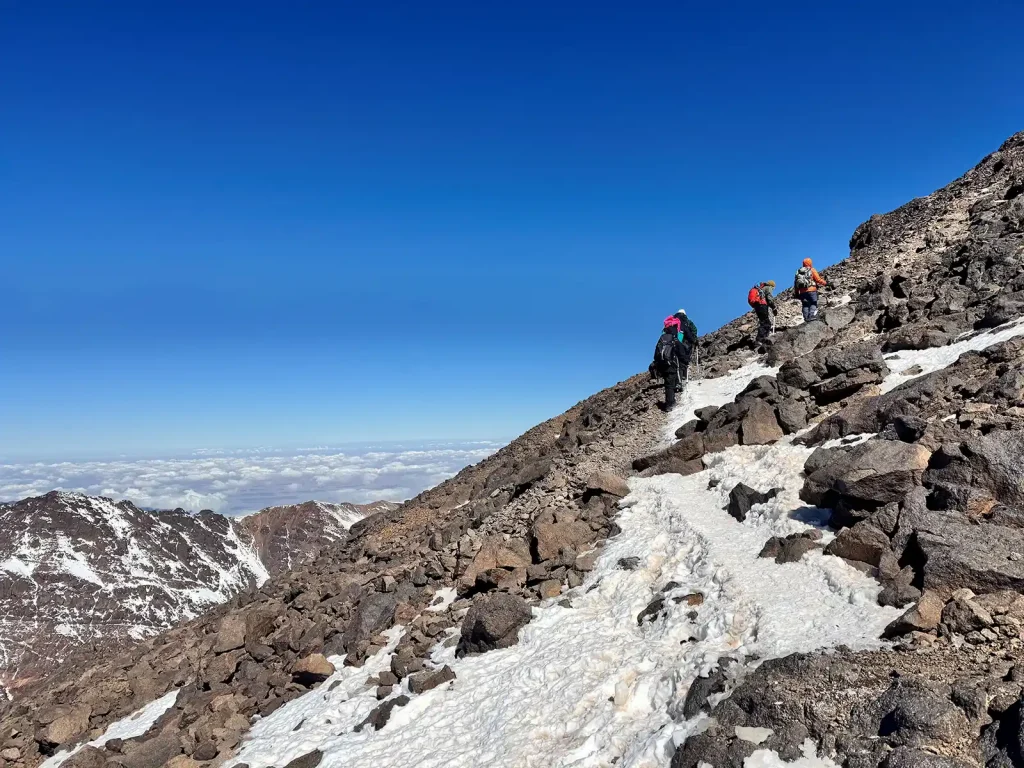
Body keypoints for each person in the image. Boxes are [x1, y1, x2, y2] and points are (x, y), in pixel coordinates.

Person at [652, 317, 687, 410]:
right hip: (672, 363)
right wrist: (685, 360)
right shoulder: (674, 339)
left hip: (662, 365)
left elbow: (656, 354)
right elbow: (681, 352)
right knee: (670, 384)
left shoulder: (662, 339)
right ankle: (670, 404)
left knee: (667, 383)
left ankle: (670, 401)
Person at [747, 280, 777, 345]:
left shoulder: (761, 289)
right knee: (766, 323)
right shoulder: (768, 287)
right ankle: (760, 340)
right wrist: (773, 307)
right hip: (762, 305)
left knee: (765, 322)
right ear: (772, 285)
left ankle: (762, 339)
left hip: (757, 306)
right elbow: (769, 298)